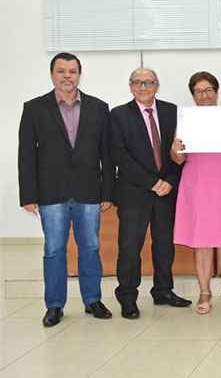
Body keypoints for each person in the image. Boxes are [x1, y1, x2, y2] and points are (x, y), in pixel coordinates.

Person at [18, 52, 115, 327]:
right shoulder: (35, 108)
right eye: (61, 71)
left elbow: (106, 153)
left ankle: (92, 299)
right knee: (54, 250)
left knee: (91, 247)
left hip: (88, 191)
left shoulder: (98, 107)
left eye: (72, 71)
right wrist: (29, 195)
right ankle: (54, 305)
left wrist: (108, 191)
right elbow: (26, 154)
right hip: (51, 192)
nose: (67, 76)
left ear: (79, 74)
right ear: (52, 75)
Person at [170, 71, 221, 314]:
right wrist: (175, 149)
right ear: (193, 96)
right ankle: (204, 293)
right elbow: (178, 159)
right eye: (199, 91)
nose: (204, 95)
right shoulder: (185, 119)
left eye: (208, 90)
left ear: (216, 92)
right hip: (197, 184)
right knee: (202, 240)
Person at [111, 67, 191, 319]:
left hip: (166, 191)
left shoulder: (172, 112)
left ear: (157, 86)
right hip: (134, 192)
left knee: (164, 245)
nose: (143, 87)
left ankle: (163, 291)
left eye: (148, 83)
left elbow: (181, 150)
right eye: (137, 83)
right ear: (130, 86)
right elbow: (119, 155)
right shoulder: (119, 114)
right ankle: (127, 297)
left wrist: (168, 180)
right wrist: (151, 182)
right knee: (129, 247)